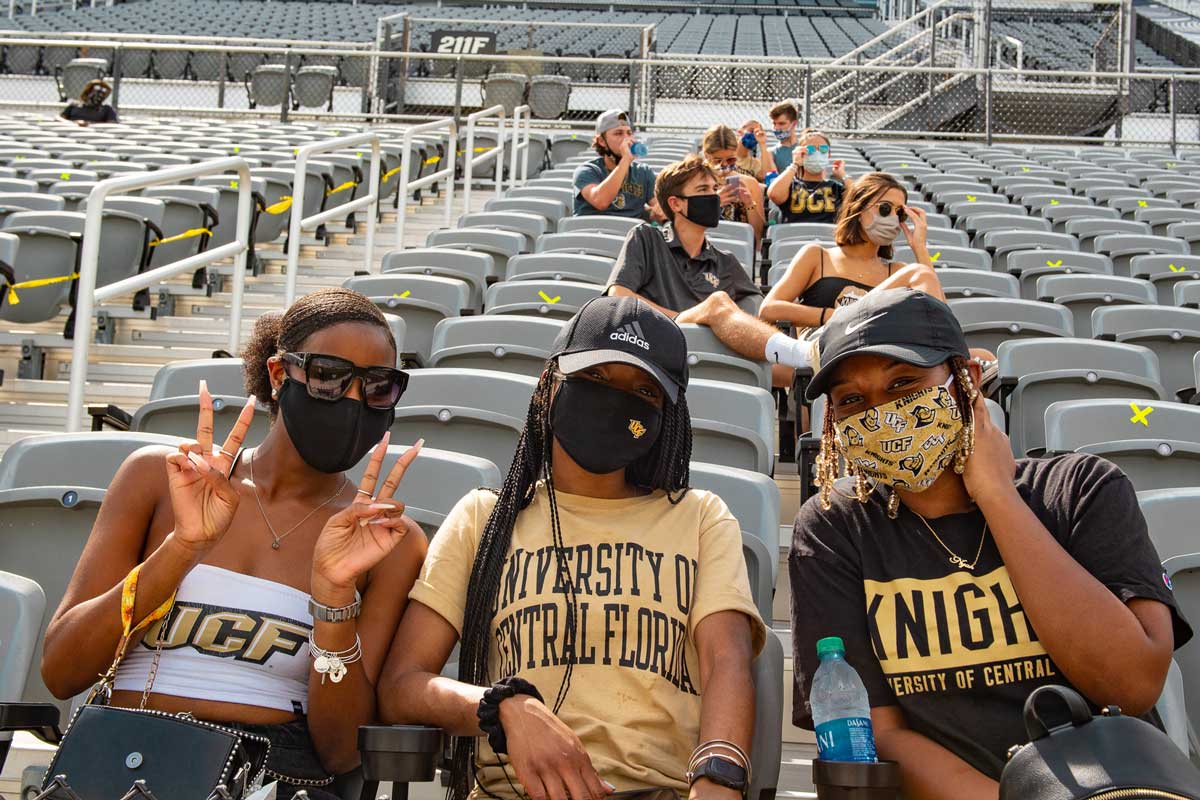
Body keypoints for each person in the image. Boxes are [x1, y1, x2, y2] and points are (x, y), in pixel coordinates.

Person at [789, 288, 1192, 799]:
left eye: (904, 384)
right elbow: (877, 733)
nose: (882, 415)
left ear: (967, 382)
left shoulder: (1080, 490)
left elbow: (1130, 685)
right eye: (853, 400)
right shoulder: (835, 527)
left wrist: (998, 497)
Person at [41, 289, 427, 798]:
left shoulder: (386, 540)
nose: (353, 401)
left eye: (378, 387)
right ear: (277, 374)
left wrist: (334, 598)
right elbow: (63, 671)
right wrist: (182, 547)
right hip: (119, 756)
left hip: (274, 775)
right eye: (328, 376)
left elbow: (339, 751)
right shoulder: (158, 481)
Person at [378, 295, 766, 800]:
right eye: (596, 379)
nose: (615, 400)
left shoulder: (700, 517)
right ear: (549, 385)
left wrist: (719, 777)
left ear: (667, 415)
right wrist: (506, 707)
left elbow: (726, 659)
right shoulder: (485, 518)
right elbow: (401, 685)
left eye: (643, 391)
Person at [605, 155, 816, 378]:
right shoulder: (646, 238)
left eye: (715, 188)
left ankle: (811, 359)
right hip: (654, 355)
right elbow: (619, 296)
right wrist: (690, 320)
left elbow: (758, 316)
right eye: (703, 189)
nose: (714, 196)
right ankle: (802, 353)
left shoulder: (726, 262)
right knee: (717, 303)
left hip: (711, 363)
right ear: (676, 203)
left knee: (808, 374)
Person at [760, 172, 933, 328]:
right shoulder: (817, 256)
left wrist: (919, 247)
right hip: (822, 352)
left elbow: (937, 318)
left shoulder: (897, 272)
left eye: (900, 213)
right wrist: (837, 316)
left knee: (921, 274)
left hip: (876, 356)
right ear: (858, 208)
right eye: (885, 208)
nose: (893, 218)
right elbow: (769, 309)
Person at [573, 109, 660, 220]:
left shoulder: (643, 172)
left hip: (630, 235)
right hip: (594, 232)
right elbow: (600, 201)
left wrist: (658, 210)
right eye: (618, 133)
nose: (626, 139)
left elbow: (658, 205)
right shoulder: (587, 171)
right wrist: (625, 160)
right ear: (602, 141)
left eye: (629, 133)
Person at [766, 129, 853, 225]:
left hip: (826, 238)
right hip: (795, 237)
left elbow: (859, 198)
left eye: (823, 149)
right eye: (810, 149)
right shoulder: (790, 186)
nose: (817, 153)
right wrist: (795, 164)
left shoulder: (836, 187)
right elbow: (774, 194)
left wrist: (843, 175)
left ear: (828, 155)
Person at [700, 124, 766, 243]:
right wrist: (714, 203)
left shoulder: (749, 182)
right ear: (706, 155)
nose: (724, 164)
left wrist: (749, 204)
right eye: (717, 160)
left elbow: (757, 236)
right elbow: (685, 225)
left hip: (738, 247)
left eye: (730, 159)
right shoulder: (695, 180)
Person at [768, 100, 800, 174]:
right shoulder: (771, 152)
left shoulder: (804, 147)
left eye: (781, 124)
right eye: (774, 123)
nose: (776, 128)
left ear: (794, 124)